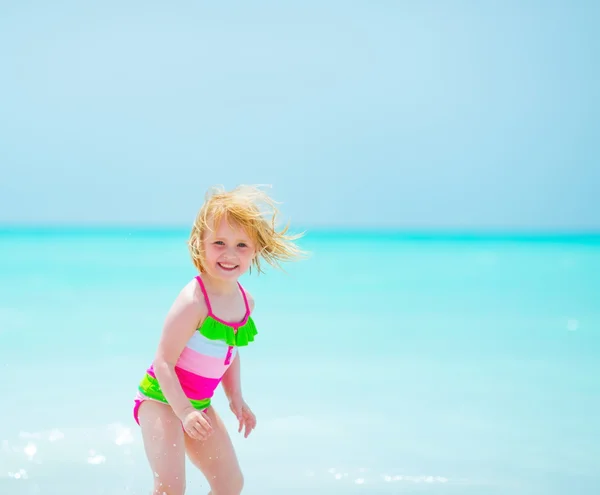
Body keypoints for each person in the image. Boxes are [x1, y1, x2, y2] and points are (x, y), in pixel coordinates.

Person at [132, 185, 304, 495]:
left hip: (200, 405)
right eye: (219, 243)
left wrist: (235, 398)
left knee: (230, 484)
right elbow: (163, 362)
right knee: (170, 488)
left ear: (256, 250)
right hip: (161, 401)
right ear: (200, 245)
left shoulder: (245, 301)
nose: (229, 254)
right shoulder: (193, 300)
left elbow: (228, 352)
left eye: (241, 245)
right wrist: (183, 412)